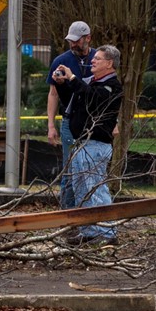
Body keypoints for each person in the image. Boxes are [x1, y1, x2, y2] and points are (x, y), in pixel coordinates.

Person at [52, 44, 123, 246]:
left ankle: (108, 233)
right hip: (81, 142)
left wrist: (74, 79)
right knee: (81, 189)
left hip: (96, 144)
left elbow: (93, 99)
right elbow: (74, 100)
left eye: (97, 59)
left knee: (95, 189)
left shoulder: (112, 86)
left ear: (109, 63)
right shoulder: (92, 81)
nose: (92, 61)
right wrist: (62, 84)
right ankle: (89, 231)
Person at [47, 21, 96, 209]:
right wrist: (51, 125)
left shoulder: (98, 59)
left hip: (93, 121)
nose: (73, 44)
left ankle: (89, 211)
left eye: (76, 41)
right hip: (70, 121)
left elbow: (106, 94)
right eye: (70, 41)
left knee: (91, 169)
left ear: (88, 38)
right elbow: (52, 95)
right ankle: (67, 213)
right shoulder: (61, 61)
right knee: (70, 170)